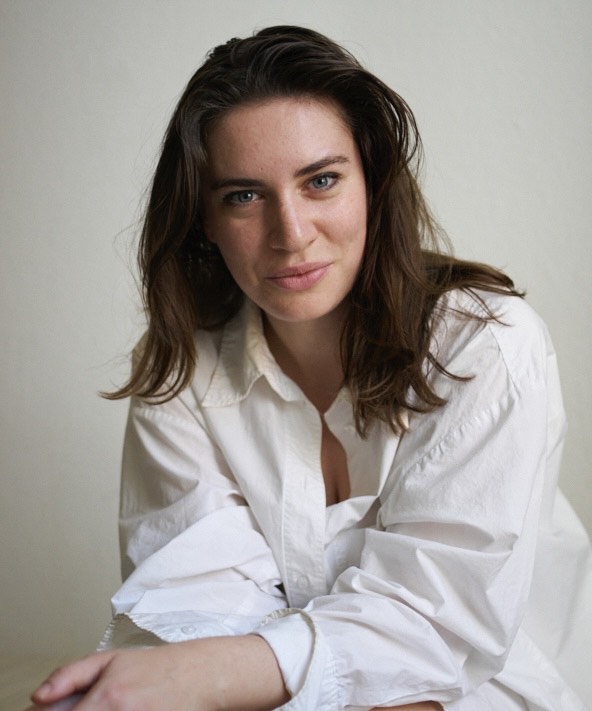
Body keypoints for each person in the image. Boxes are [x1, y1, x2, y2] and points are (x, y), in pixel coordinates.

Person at [29, 25, 591, 711]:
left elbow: (437, 628)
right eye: (244, 196)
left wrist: (204, 677)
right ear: (204, 218)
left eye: (321, 180)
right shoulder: (183, 368)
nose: (291, 234)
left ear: (373, 181)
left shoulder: (486, 346)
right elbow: (191, 613)